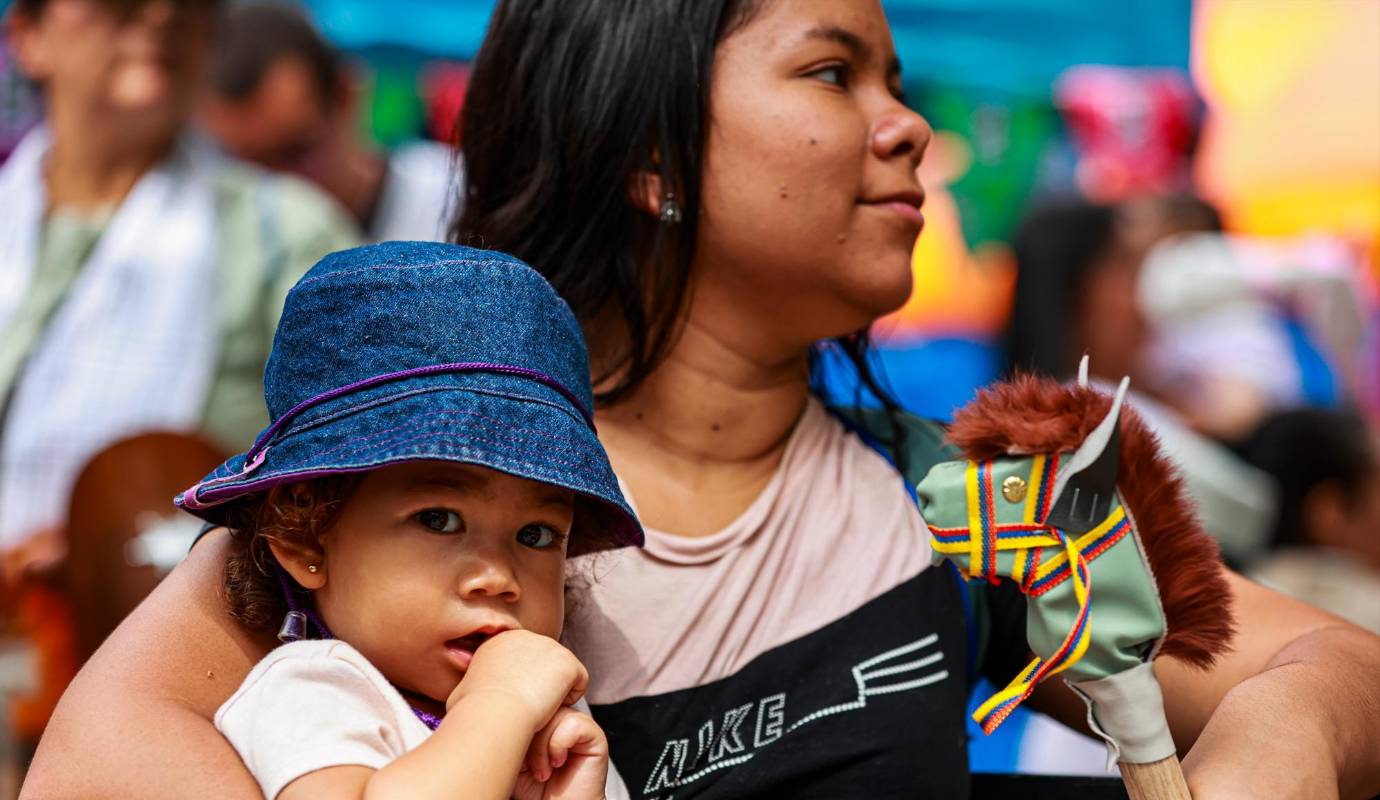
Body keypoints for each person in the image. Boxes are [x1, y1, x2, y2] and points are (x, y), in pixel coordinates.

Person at [21, 2, 1380, 799]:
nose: (910, 129)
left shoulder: (959, 505)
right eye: (833, 72)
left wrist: (1277, 742)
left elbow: (1329, 662)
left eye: (899, 83)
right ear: (654, 157)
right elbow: (93, 760)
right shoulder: (407, 486)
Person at [180, 240, 640, 799]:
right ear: (307, 540)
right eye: (440, 520)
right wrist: (498, 706)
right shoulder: (315, 691)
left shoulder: (550, 707)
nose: (497, 577)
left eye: (535, 535)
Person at [0, 0, 359, 569]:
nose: (163, 14)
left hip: (176, 636)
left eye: (194, 6)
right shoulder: (10, 223)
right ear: (27, 34)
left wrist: (117, 541)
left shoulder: (286, 234)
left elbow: (352, 464)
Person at [202, 2, 455, 243]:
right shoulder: (208, 241)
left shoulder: (457, 201)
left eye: (295, 154)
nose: (281, 190)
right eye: (249, 172)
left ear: (347, 96)